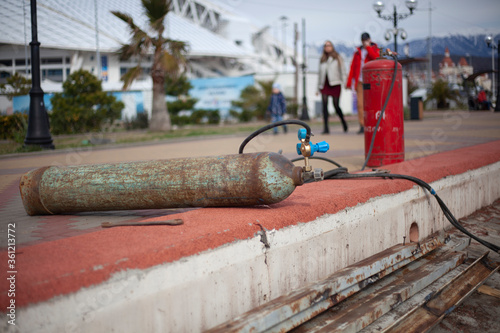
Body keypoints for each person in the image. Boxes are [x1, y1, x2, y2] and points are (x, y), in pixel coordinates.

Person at [346, 32, 381, 134]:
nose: (364, 42)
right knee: (360, 105)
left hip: (371, 81)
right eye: (363, 40)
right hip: (360, 82)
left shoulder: (375, 49)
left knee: (372, 104)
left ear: (369, 40)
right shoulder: (357, 52)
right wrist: (349, 82)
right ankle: (362, 125)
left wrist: (369, 48)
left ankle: (373, 124)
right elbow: (353, 67)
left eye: (366, 40)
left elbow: (375, 58)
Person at [317, 40, 348, 134]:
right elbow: (320, 74)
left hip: (335, 83)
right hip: (324, 85)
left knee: (336, 106)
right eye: (325, 46)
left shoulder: (337, 58)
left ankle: (343, 122)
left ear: (332, 47)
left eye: (329, 45)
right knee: (324, 106)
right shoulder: (322, 59)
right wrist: (317, 88)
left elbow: (343, 70)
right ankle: (326, 128)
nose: (327, 47)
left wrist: (345, 82)